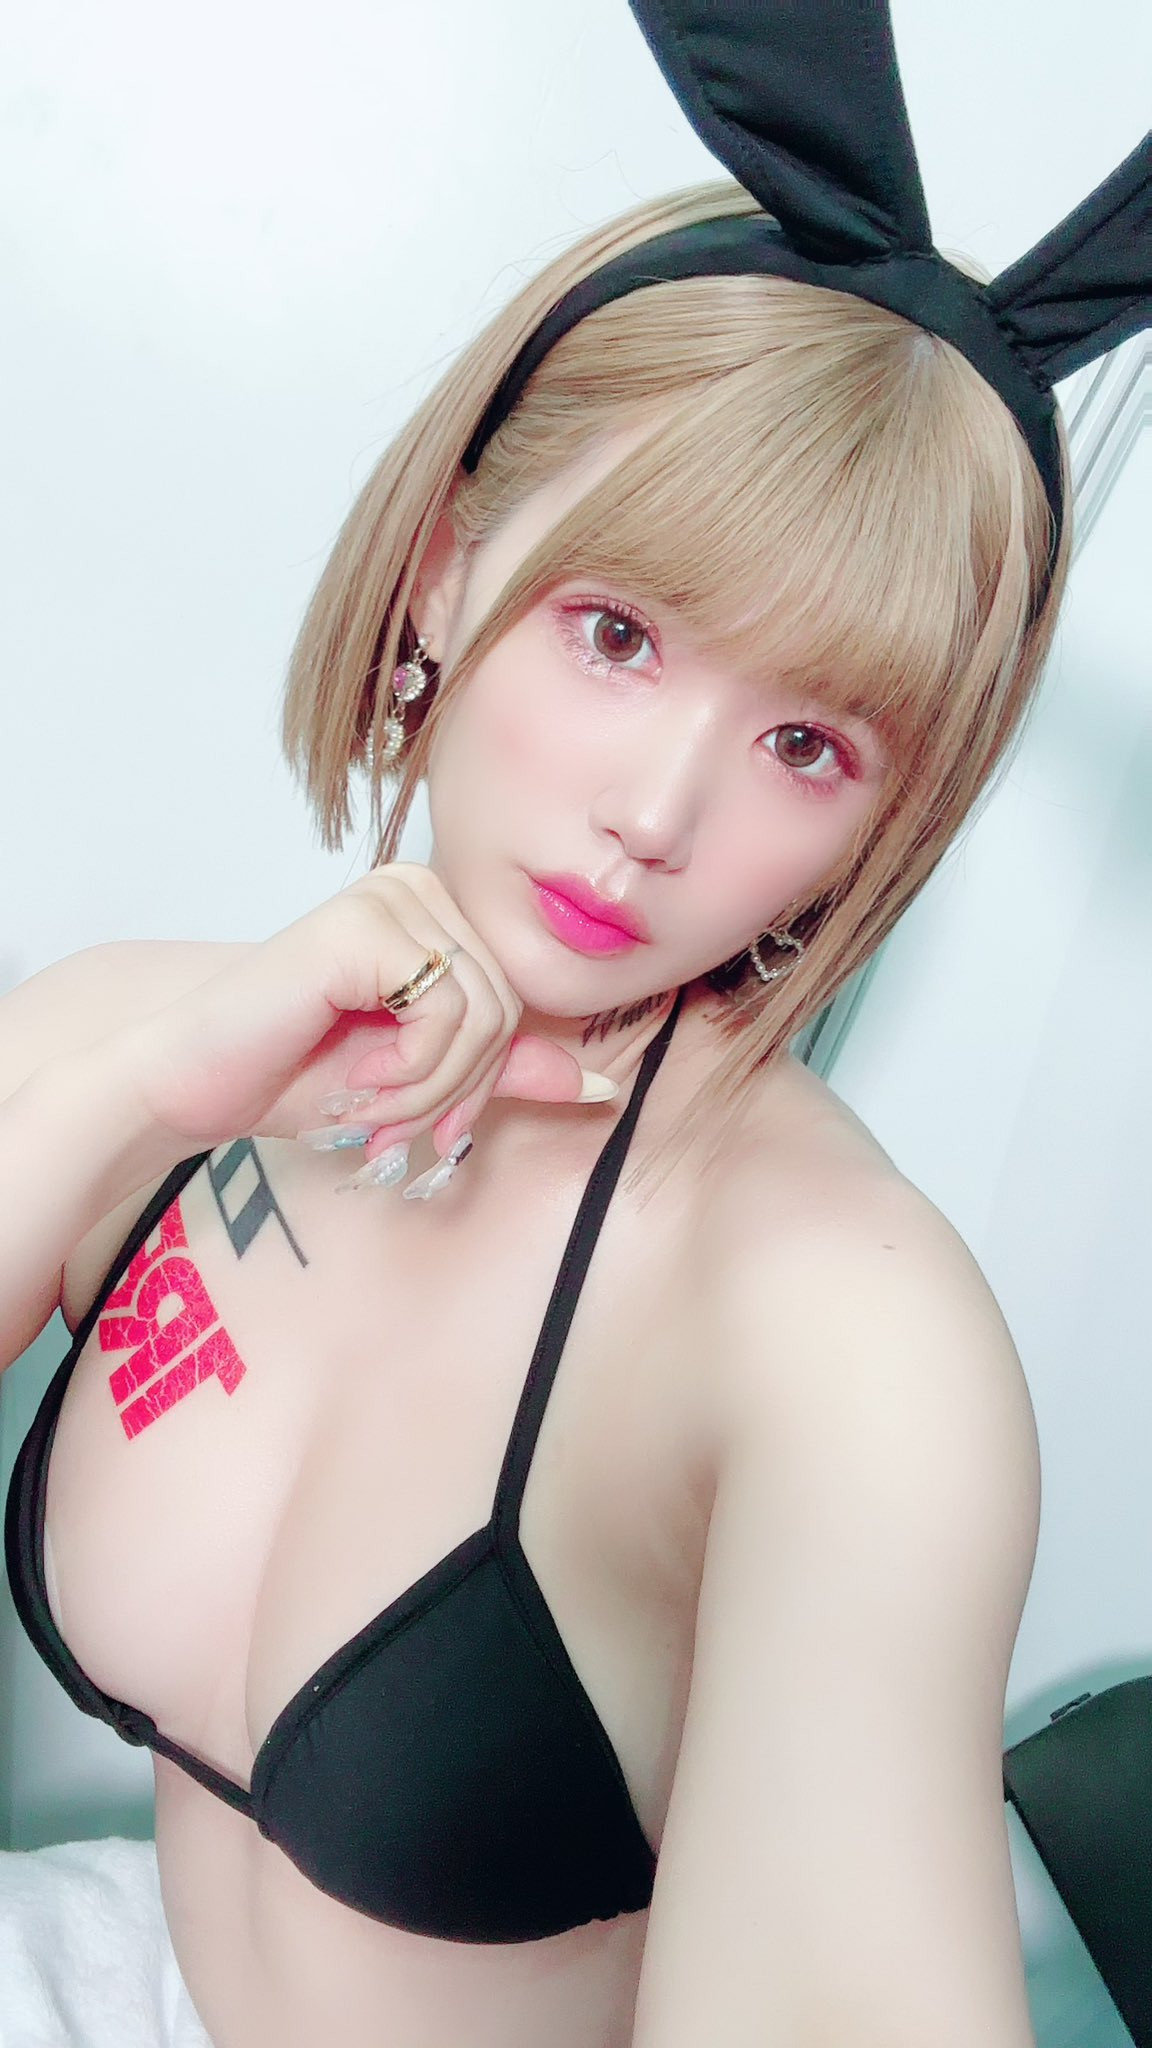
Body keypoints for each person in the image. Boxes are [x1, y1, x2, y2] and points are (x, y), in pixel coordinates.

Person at [1, 0, 1147, 2041]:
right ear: (447, 574)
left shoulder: (845, 1338)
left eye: (809, 744)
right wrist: (141, 1087)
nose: (660, 814)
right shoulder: (154, 1040)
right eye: (618, 634)